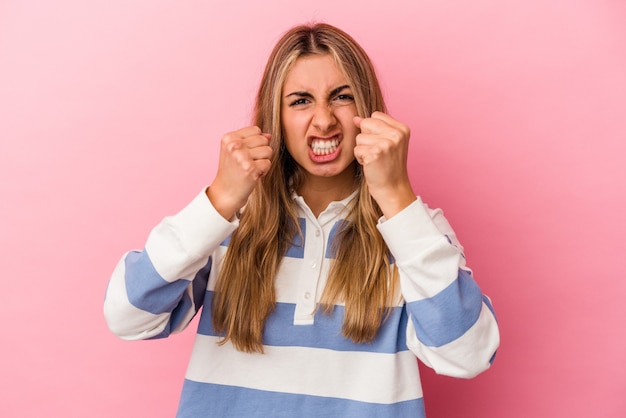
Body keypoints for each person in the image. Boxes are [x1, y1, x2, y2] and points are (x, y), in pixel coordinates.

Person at [104, 22, 499, 417]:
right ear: (275, 117)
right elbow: (128, 317)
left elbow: (468, 355)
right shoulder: (227, 221)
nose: (324, 120)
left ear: (368, 110)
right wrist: (220, 198)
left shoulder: (412, 229)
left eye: (341, 97)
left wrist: (397, 198)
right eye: (300, 101)